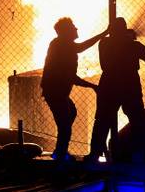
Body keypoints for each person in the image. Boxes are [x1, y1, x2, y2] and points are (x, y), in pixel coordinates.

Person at [85, 17, 145, 162]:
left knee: (102, 120)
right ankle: (137, 154)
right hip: (130, 84)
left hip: (109, 84)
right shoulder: (133, 45)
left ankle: (95, 154)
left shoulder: (104, 43)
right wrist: (131, 40)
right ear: (124, 30)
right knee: (137, 120)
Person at [40, 17, 106, 161]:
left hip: (57, 92)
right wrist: (103, 34)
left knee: (70, 114)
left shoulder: (62, 45)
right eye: (73, 27)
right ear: (66, 31)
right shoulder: (62, 45)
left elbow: (71, 71)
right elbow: (71, 72)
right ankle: (60, 155)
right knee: (65, 124)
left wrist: (91, 86)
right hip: (56, 92)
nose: (76, 29)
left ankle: (60, 150)